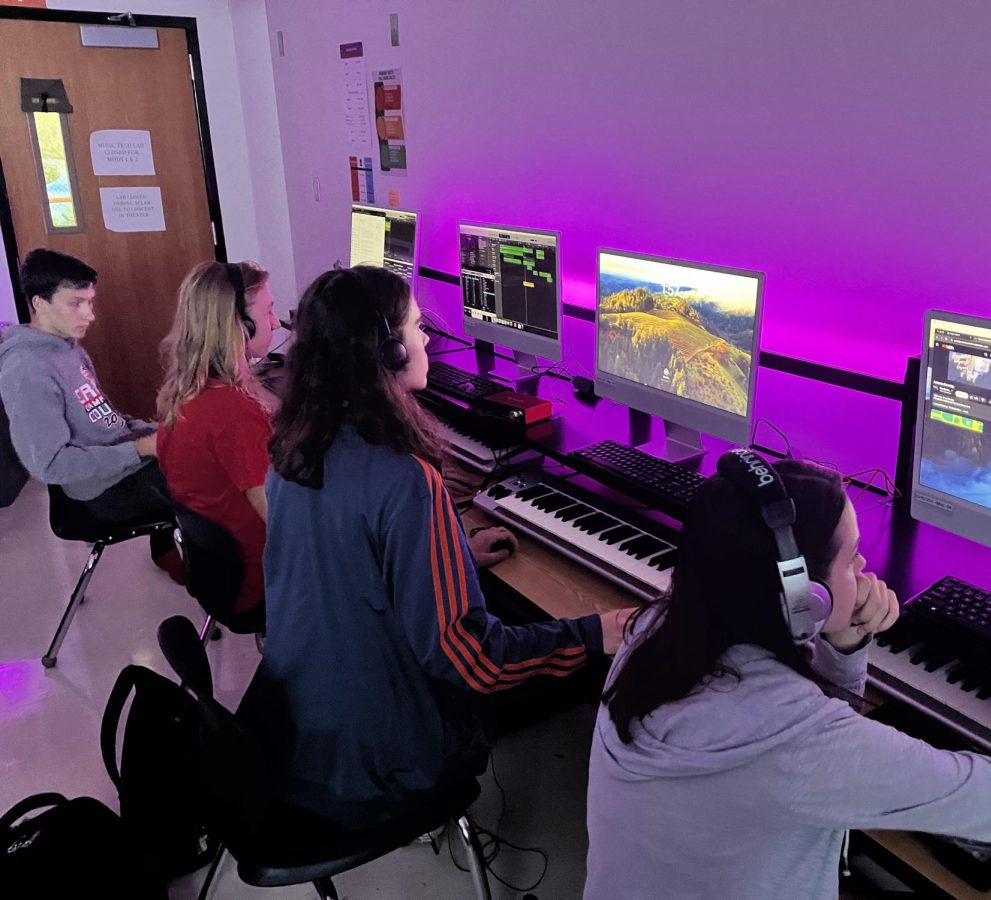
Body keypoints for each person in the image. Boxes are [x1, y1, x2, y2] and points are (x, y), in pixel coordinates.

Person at [585, 451, 991, 900]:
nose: (867, 568)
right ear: (802, 599)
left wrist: (847, 641)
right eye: (852, 558)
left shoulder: (657, 630)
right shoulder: (796, 743)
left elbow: (824, 751)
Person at [237, 264, 627, 829]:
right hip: (381, 756)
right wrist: (596, 632)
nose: (425, 340)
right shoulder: (404, 477)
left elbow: (352, 564)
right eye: (417, 327)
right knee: (571, 663)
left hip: (304, 717)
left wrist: (453, 555)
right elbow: (467, 658)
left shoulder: (296, 443)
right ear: (388, 353)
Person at [0, 249, 176, 566]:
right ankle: (219, 576)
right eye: (75, 303)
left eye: (90, 302)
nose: (89, 315)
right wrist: (139, 449)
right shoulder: (27, 371)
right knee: (209, 475)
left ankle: (167, 551)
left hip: (119, 465)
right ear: (39, 303)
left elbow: (105, 419)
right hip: (100, 491)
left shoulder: (67, 348)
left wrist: (151, 433)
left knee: (197, 446)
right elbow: (51, 465)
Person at [155, 260, 280, 623]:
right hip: (258, 583)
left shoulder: (182, 393)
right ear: (240, 325)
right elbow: (281, 521)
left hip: (219, 576)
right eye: (268, 312)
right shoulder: (233, 413)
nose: (274, 323)